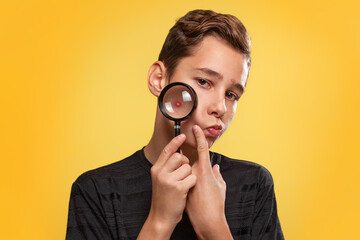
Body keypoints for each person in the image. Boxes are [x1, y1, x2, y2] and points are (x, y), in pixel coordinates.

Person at [65, 9, 284, 240]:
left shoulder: (254, 185)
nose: (220, 107)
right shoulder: (96, 192)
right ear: (159, 79)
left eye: (231, 95)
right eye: (204, 81)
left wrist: (214, 229)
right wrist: (159, 222)